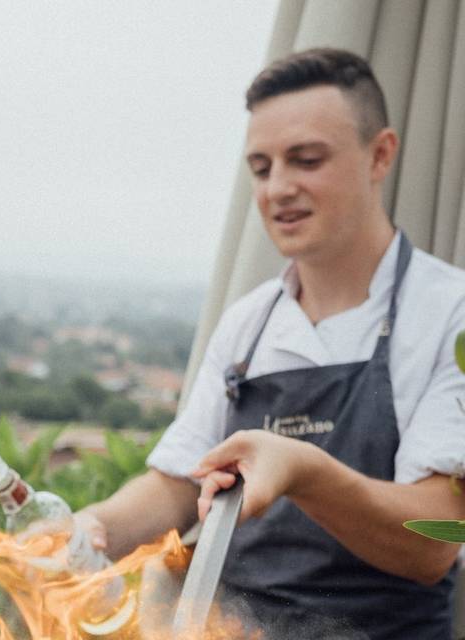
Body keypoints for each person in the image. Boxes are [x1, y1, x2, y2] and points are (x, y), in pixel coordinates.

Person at [78, 48, 465, 639]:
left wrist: (304, 471)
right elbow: (178, 483)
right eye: (261, 168)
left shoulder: (450, 314)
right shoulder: (249, 323)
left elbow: (435, 538)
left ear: (380, 154)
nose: (278, 188)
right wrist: (86, 529)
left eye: (306, 160)